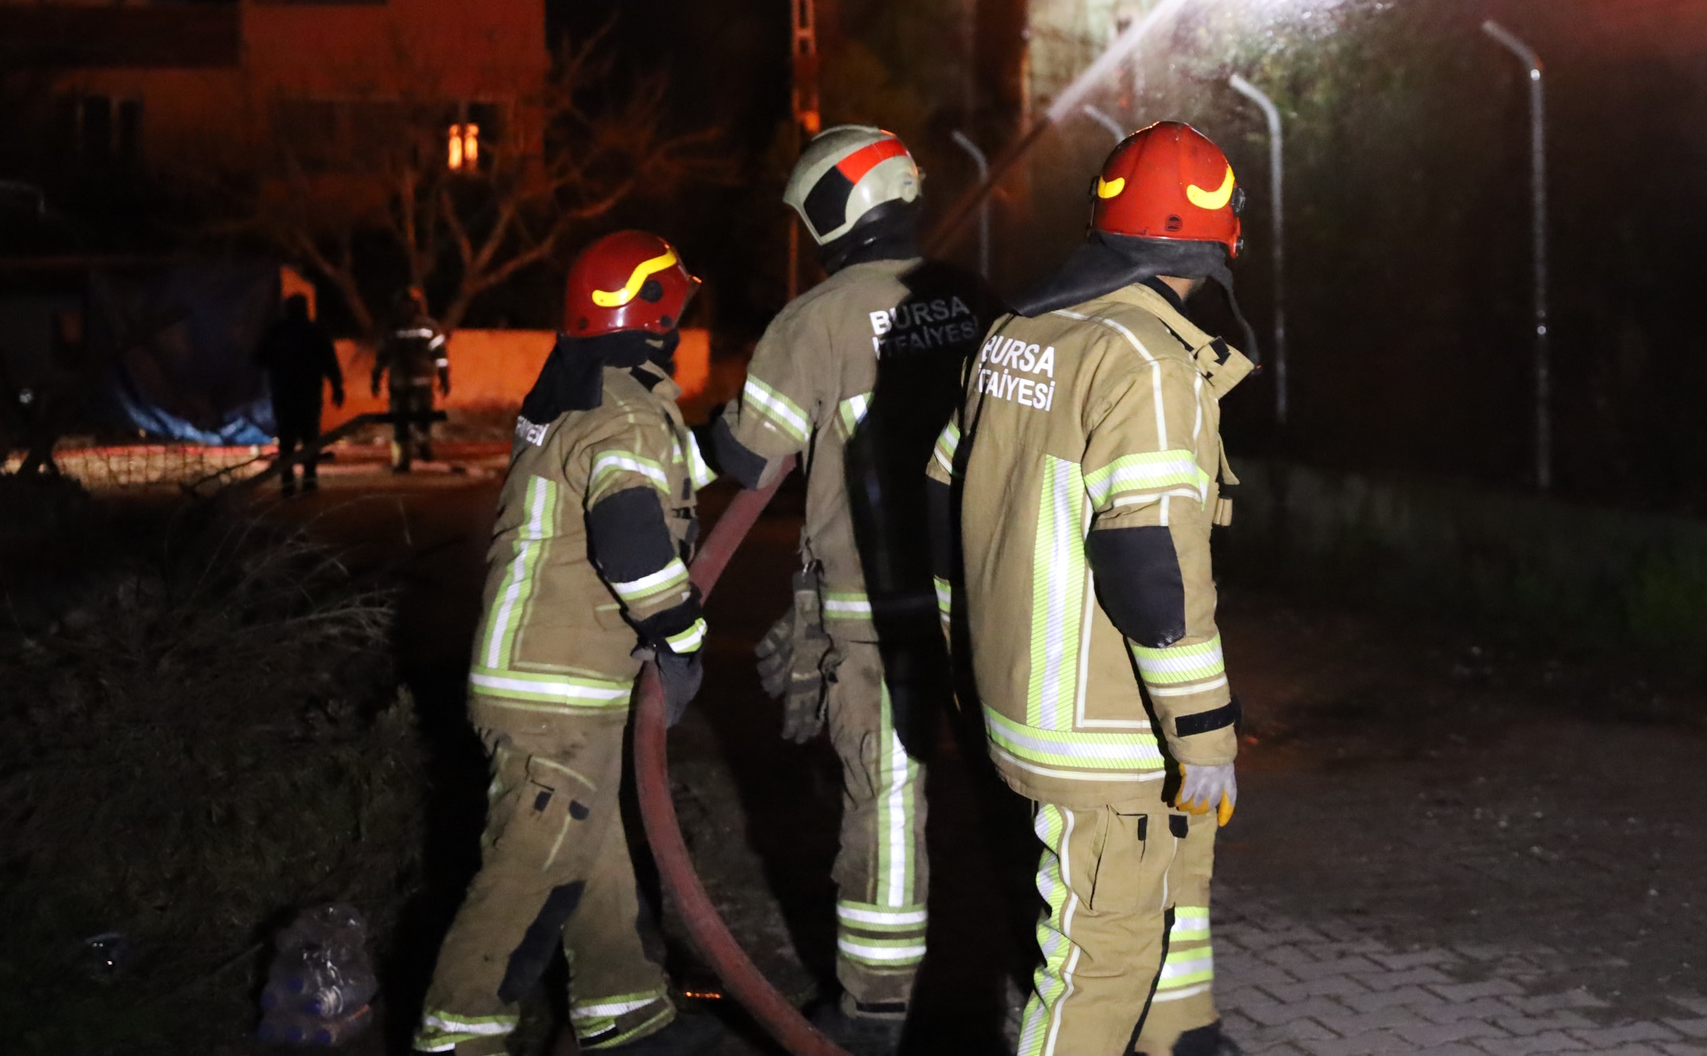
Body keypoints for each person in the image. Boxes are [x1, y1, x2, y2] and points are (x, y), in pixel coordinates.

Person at [928, 121, 1252, 1056]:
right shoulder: (1148, 362)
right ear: (1217, 237)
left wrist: (967, 663)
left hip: (1022, 695)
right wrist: (1204, 732)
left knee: (1171, 875)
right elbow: (1152, 564)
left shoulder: (1018, 333)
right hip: (1102, 725)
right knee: (1100, 956)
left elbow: (941, 499)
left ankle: (1182, 1036)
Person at [702, 126, 994, 1053]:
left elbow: (749, 456)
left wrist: (695, 432)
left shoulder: (817, 319)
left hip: (877, 618)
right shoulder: (973, 298)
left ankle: (874, 1010)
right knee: (1005, 790)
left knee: (888, 803)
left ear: (834, 209)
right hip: (989, 609)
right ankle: (1007, 979)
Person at [413, 231, 719, 1056]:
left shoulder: (587, 394)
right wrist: (682, 634)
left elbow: (666, 468)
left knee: (589, 847)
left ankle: (625, 1012)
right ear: (657, 314)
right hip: (558, 688)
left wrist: (743, 441)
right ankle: (457, 1035)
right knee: (531, 873)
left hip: (539, 678)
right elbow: (630, 531)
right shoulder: (627, 409)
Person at [253, 293, 345, 494]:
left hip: (285, 394)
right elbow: (330, 362)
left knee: (288, 441)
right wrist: (337, 387)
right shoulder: (314, 332)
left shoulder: (277, 332)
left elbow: (258, 359)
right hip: (307, 395)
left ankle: (289, 483)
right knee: (309, 439)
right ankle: (308, 480)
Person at [373, 285, 450, 471]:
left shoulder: (423, 327)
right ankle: (407, 456)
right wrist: (376, 377)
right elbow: (382, 355)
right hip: (404, 383)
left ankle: (418, 446)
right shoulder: (400, 328)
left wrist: (444, 377)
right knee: (403, 422)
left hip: (412, 382)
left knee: (416, 419)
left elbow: (440, 355)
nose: (405, 308)